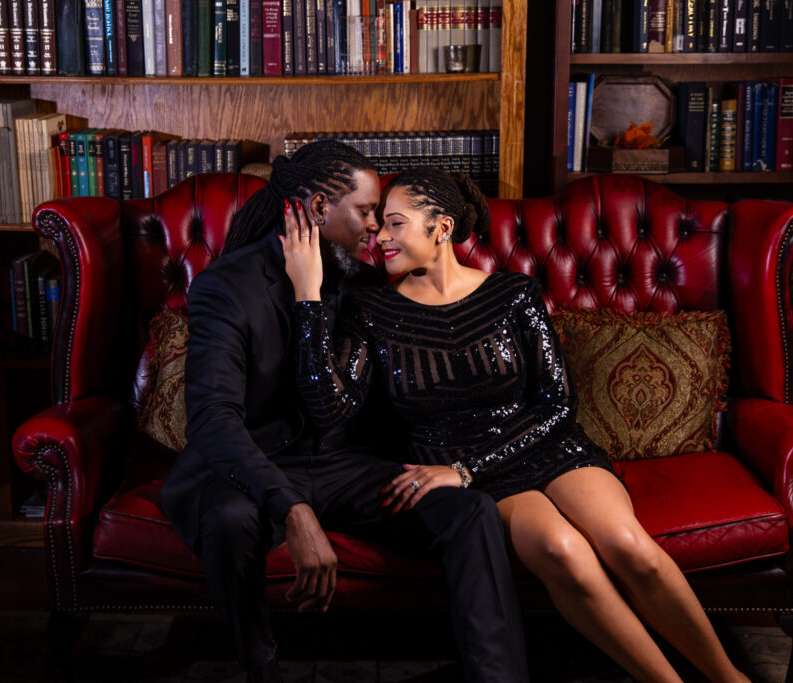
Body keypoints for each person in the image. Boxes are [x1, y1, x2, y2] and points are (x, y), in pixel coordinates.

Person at [283, 165, 750, 683]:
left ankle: (731, 678)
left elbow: (557, 405)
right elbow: (329, 408)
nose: (380, 236)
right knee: (561, 550)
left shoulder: (514, 295)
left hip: (544, 446)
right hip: (470, 473)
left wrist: (466, 468)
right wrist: (308, 297)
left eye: (395, 223)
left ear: (441, 227)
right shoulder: (370, 310)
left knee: (625, 543)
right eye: (380, 225)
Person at [160, 143, 529, 683]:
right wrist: (292, 509)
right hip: (254, 469)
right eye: (366, 211)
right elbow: (213, 419)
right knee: (231, 518)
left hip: (344, 465)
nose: (376, 227)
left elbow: (355, 399)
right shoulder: (228, 287)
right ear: (315, 208)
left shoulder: (360, 279)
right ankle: (260, 667)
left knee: (467, 510)